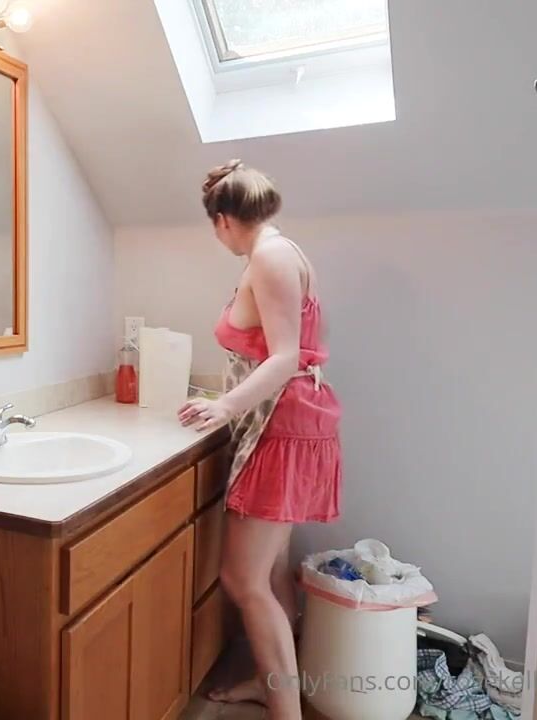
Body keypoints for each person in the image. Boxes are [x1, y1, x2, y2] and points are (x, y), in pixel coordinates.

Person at [178, 160, 342, 719]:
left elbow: (285, 356)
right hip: (292, 421)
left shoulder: (269, 258)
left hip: (282, 426)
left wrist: (224, 405)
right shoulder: (281, 251)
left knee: (243, 579)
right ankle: (267, 683)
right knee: (272, 569)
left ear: (223, 220)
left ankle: (285, 710)